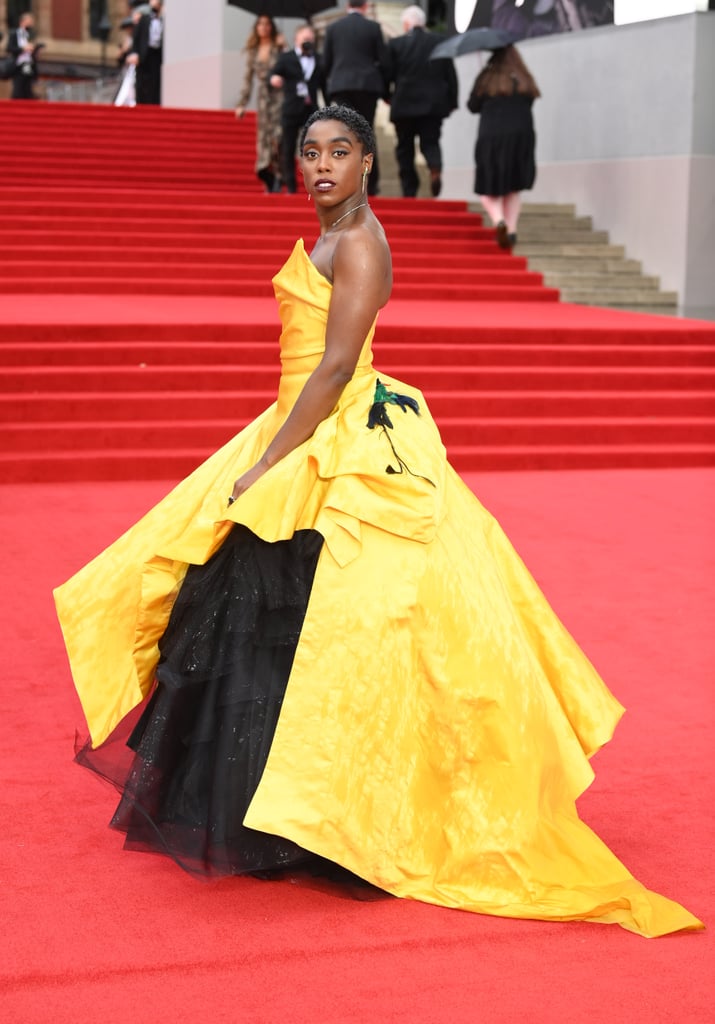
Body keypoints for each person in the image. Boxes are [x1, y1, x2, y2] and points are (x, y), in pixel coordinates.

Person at [55, 105, 703, 939]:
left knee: (324, 623)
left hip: (334, 440)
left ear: (368, 161)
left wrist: (269, 463)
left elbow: (332, 367)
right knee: (264, 619)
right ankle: (281, 809)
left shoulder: (362, 240)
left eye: (340, 153)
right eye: (310, 153)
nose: (322, 165)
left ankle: (328, 815)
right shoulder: (336, 231)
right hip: (296, 426)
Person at [467, 44, 539, 248]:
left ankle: (499, 221)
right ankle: (512, 229)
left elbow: (473, 106)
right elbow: (530, 101)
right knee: (513, 188)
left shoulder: (487, 78)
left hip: (492, 137)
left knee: (488, 187)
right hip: (521, 137)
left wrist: (483, 82)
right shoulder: (524, 78)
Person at [386, 5, 458, 199]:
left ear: (407, 24)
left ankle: (409, 190)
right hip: (432, 106)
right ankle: (435, 169)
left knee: (405, 148)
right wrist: (452, 101)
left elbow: (387, 74)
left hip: (404, 105)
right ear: (423, 23)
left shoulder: (396, 44)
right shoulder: (439, 42)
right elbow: (450, 75)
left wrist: (387, 97)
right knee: (431, 143)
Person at [322, 0, 389, 196]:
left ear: (347, 6)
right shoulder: (373, 27)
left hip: (341, 87)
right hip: (367, 87)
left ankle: (346, 181)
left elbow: (326, 62)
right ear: (365, 6)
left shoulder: (334, 28)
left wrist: (329, 89)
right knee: (367, 133)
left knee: (346, 135)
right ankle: (371, 183)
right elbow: (384, 62)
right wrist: (386, 92)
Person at [269, 25, 325, 194]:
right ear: (296, 39)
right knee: (288, 148)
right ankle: (291, 187)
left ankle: (315, 184)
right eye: (304, 38)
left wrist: (330, 108)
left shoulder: (319, 59)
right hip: (291, 109)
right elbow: (273, 75)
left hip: (311, 110)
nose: (308, 41)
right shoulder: (286, 58)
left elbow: (324, 86)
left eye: (311, 39)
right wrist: (274, 79)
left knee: (314, 148)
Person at [235, 15, 285, 194]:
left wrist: (283, 47)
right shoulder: (254, 50)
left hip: (279, 96)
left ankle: (280, 174)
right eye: (260, 24)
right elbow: (248, 79)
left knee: (277, 137)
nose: (263, 27)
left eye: (267, 24)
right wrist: (242, 103)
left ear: (271, 27)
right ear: (256, 27)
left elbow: (288, 66)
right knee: (263, 137)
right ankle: (267, 174)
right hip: (263, 98)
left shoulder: (278, 47)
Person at [127, 0, 164, 106]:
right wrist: (135, 53)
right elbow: (137, 37)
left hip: (158, 55)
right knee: (142, 81)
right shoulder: (144, 19)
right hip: (144, 55)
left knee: (156, 82)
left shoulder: (164, 20)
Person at [6, 12, 41, 100]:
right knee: (19, 87)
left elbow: (31, 51)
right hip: (18, 64)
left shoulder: (30, 35)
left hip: (29, 64)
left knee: (27, 87)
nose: (31, 23)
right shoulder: (15, 33)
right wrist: (23, 49)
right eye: (29, 21)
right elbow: (9, 48)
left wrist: (35, 51)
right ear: (22, 22)